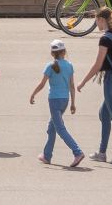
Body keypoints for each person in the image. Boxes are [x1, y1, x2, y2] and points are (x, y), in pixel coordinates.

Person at [76, 6, 112, 166]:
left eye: (96, 20)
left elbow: (98, 64)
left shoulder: (106, 38)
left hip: (111, 82)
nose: (96, 24)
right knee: (104, 114)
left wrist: (83, 82)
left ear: (101, 20)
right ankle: (102, 153)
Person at [29, 38, 84, 167]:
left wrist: (33, 94)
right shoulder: (69, 65)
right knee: (51, 128)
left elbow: (42, 84)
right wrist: (73, 103)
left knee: (60, 128)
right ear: (64, 52)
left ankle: (77, 152)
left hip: (54, 100)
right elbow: (72, 85)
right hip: (65, 100)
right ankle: (47, 155)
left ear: (52, 54)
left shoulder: (50, 66)